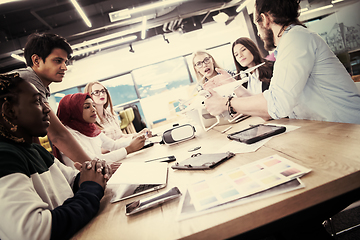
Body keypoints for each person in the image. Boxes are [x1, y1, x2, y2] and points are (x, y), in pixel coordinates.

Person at [204, 0, 360, 124]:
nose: (258, 34)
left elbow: (276, 106)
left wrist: (227, 103)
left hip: (349, 130)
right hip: (332, 130)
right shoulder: (289, 45)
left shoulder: (296, 38)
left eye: (257, 25)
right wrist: (233, 84)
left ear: (265, 20)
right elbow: (269, 109)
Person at [0, 73, 109, 240]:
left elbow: (71, 183)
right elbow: (34, 231)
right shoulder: (5, 157)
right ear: (10, 111)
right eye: (37, 101)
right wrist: (90, 188)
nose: (46, 109)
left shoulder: (36, 151)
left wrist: (91, 173)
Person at [11, 33, 93, 166]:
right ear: (36, 60)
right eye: (58, 61)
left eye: (65, 62)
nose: (64, 67)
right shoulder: (28, 79)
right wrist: (93, 166)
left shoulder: (39, 86)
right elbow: (58, 134)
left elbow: (32, 135)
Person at [56, 93, 145, 169]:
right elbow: (94, 161)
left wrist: (137, 139)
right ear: (74, 111)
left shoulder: (90, 128)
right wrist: (129, 149)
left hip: (102, 173)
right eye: (87, 107)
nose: (93, 109)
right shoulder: (68, 135)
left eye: (93, 105)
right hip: (87, 182)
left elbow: (113, 145)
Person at [83, 81, 151, 142]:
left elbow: (121, 136)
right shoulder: (90, 120)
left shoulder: (110, 113)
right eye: (96, 92)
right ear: (89, 96)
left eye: (103, 91)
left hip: (124, 150)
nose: (101, 94)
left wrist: (139, 134)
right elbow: (101, 149)